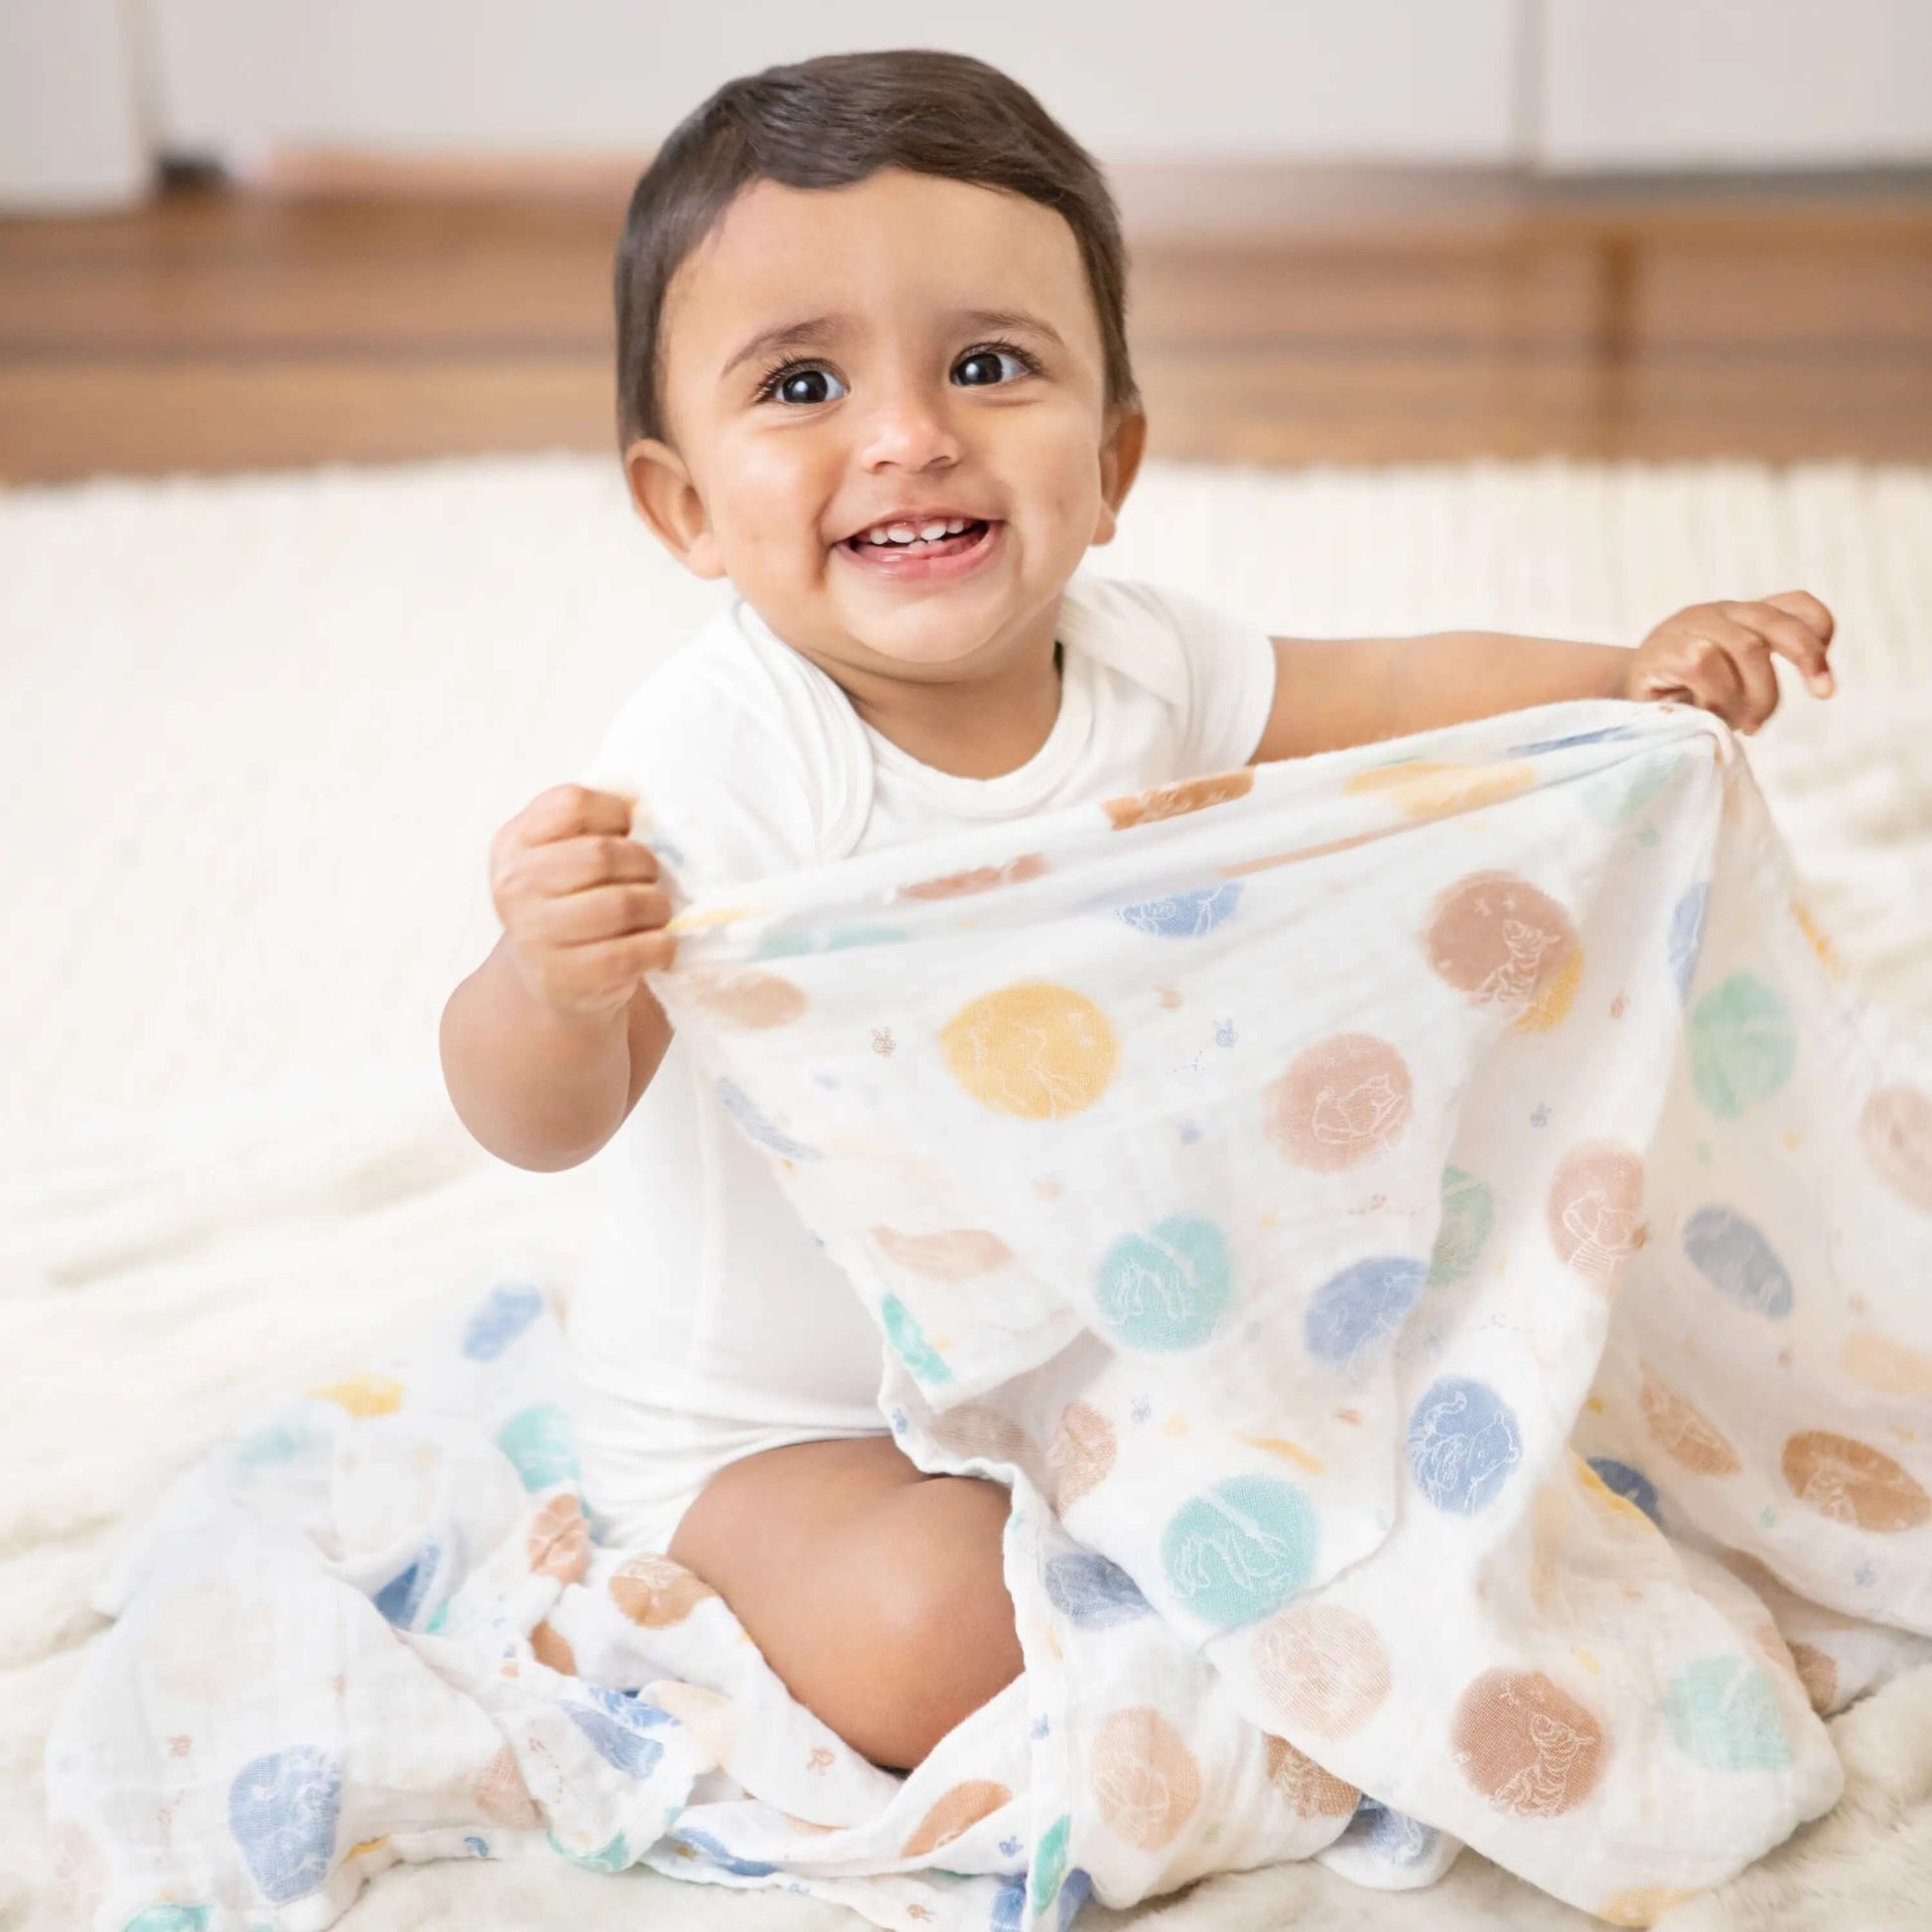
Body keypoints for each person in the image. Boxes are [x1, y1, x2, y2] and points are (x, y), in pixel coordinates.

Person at [440, 48, 1837, 1777]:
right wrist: (547, 982)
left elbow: (1396, 687)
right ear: (682, 507)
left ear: (1110, 463)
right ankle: (673, 1602)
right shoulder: (725, 761)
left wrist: (1623, 678)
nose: (907, 432)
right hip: (782, 1431)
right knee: (946, 1639)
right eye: (801, 382)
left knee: (1445, 1436)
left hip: (1094, 1345)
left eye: (985, 364)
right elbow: (533, 1120)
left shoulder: (1138, 664)